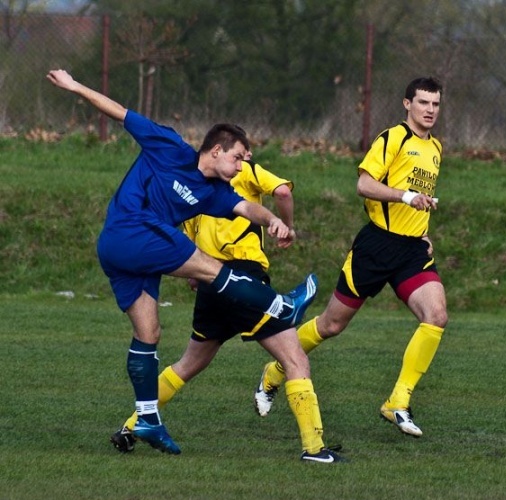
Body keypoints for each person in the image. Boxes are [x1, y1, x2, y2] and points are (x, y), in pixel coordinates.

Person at [46, 69, 316, 455]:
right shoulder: (169, 145)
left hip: (132, 255)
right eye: (239, 158)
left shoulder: (214, 193)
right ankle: (281, 306)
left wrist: (272, 219)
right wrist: (74, 87)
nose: (242, 167)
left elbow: (246, 208)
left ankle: (147, 418)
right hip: (130, 229)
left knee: (149, 333)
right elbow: (120, 113)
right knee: (210, 267)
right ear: (217, 150)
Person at [109, 153, 344, 463]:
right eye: (241, 152)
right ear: (227, 150)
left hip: (210, 281)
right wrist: (288, 226)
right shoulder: (246, 172)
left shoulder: (194, 186)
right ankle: (314, 449)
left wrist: (197, 274)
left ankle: (131, 426)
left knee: (187, 365)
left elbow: (188, 251)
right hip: (244, 280)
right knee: (295, 359)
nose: (245, 158)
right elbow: (283, 192)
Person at [254, 77, 447, 437]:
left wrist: (422, 230)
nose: (430, 110)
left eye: (435, 104)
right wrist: (406, 197)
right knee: (331, 325)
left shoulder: (435, 147)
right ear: (407, 104)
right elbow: (364, 185)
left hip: (412, 251)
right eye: (423, 102)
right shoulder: (393, 138)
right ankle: (275, 371)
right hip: (376, 246)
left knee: (436, 315)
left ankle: (398, 402)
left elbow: (419, 199)